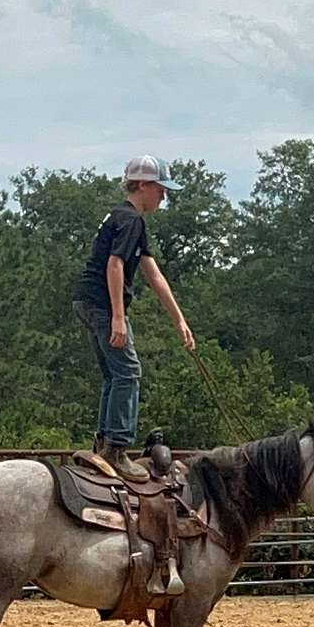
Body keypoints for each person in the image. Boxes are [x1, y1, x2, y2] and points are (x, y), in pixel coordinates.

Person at [73, 155, 196, 482]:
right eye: (161, 189)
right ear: (143, 185)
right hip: (103, 304)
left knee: (115, 375)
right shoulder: (130, 220)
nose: (164, 196)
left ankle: (103, 444)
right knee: (128, 372)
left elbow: (155, 277)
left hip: (88, 301)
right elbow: (115, 265)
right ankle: (116, 450)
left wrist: (179, 321)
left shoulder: (127, 220)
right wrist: (117, 317)